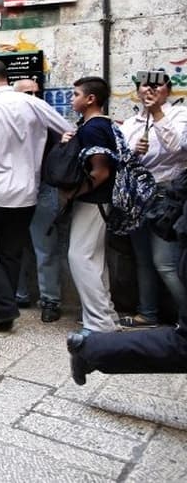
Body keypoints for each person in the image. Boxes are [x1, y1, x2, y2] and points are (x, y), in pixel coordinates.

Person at [0, 58, 73, 331]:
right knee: (11, 253)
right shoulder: (35, 104)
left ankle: (4, 306)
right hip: (26, 194)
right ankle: (4, 310)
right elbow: (69, 131)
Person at [120, 72, 187, 328]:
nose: (150, 89)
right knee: (143, 260)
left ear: (167, 90)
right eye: (145, 85)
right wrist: (132, 152)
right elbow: (120, 159)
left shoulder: (179, 115)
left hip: (167, 194)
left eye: (157, 85)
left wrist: (158, 113)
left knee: (166, 263)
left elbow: (177, 148)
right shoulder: (130, 123)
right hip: (138, 196)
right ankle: (147, 313)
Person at [63, 76, 120, 333]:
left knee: (80, 257)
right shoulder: (97, 125)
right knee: (94, 259)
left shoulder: (94, 128)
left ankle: (99, 323)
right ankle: (105, 318)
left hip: (93, 200)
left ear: (90, 99)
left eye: (76, 94)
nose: (72, 99)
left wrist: (74, 192)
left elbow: (101, 171)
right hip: (97, 201)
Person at [12, 79, 65, 323]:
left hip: (43, 188)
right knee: (15, 247)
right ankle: (20, 294)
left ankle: (50, 300)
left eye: (36, 92)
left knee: (45, 249)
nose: (33, 97)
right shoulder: (9, 122)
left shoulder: (50, 122)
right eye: (27, 93)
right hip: (15, 190)